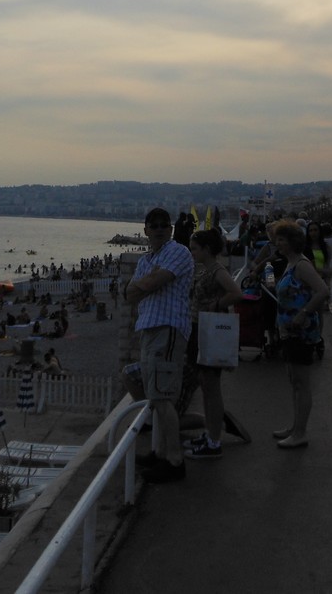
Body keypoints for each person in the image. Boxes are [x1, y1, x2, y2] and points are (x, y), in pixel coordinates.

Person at [123, 207, 195, 484]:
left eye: (164, 224)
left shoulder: (178, 252)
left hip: (168, 329)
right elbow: (129, 294)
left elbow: (155, 281)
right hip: (150, 331)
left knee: (163, 398)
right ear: (145, 230)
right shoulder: (146, 260)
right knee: (155, 395)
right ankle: (161, 452)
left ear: (171, 228)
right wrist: (146, 283)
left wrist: (146, 283)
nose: (159, 229)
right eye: (154, 225)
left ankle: (174, 461)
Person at [183, 228, 245, 460]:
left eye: (195, 249)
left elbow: (236, 293)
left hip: (207, 330)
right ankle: (210, 433)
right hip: (200, 329)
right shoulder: (207, 269)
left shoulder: (217, 270)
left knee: (211, 387)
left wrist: (216, 304)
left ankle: (214, 441)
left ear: (207, 249)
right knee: (206, 386)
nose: (192, 253)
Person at [269, 220, 329, 449]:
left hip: (301, 332)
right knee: (293, 381)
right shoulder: (290, 263)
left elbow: (323, 290)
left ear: (292, 242)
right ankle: (295, 426)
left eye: (281, 239)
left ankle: (301, 432)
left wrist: (304, 313)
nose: (277, 243)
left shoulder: (302, 265)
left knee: (302, 383)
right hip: (289, 331)